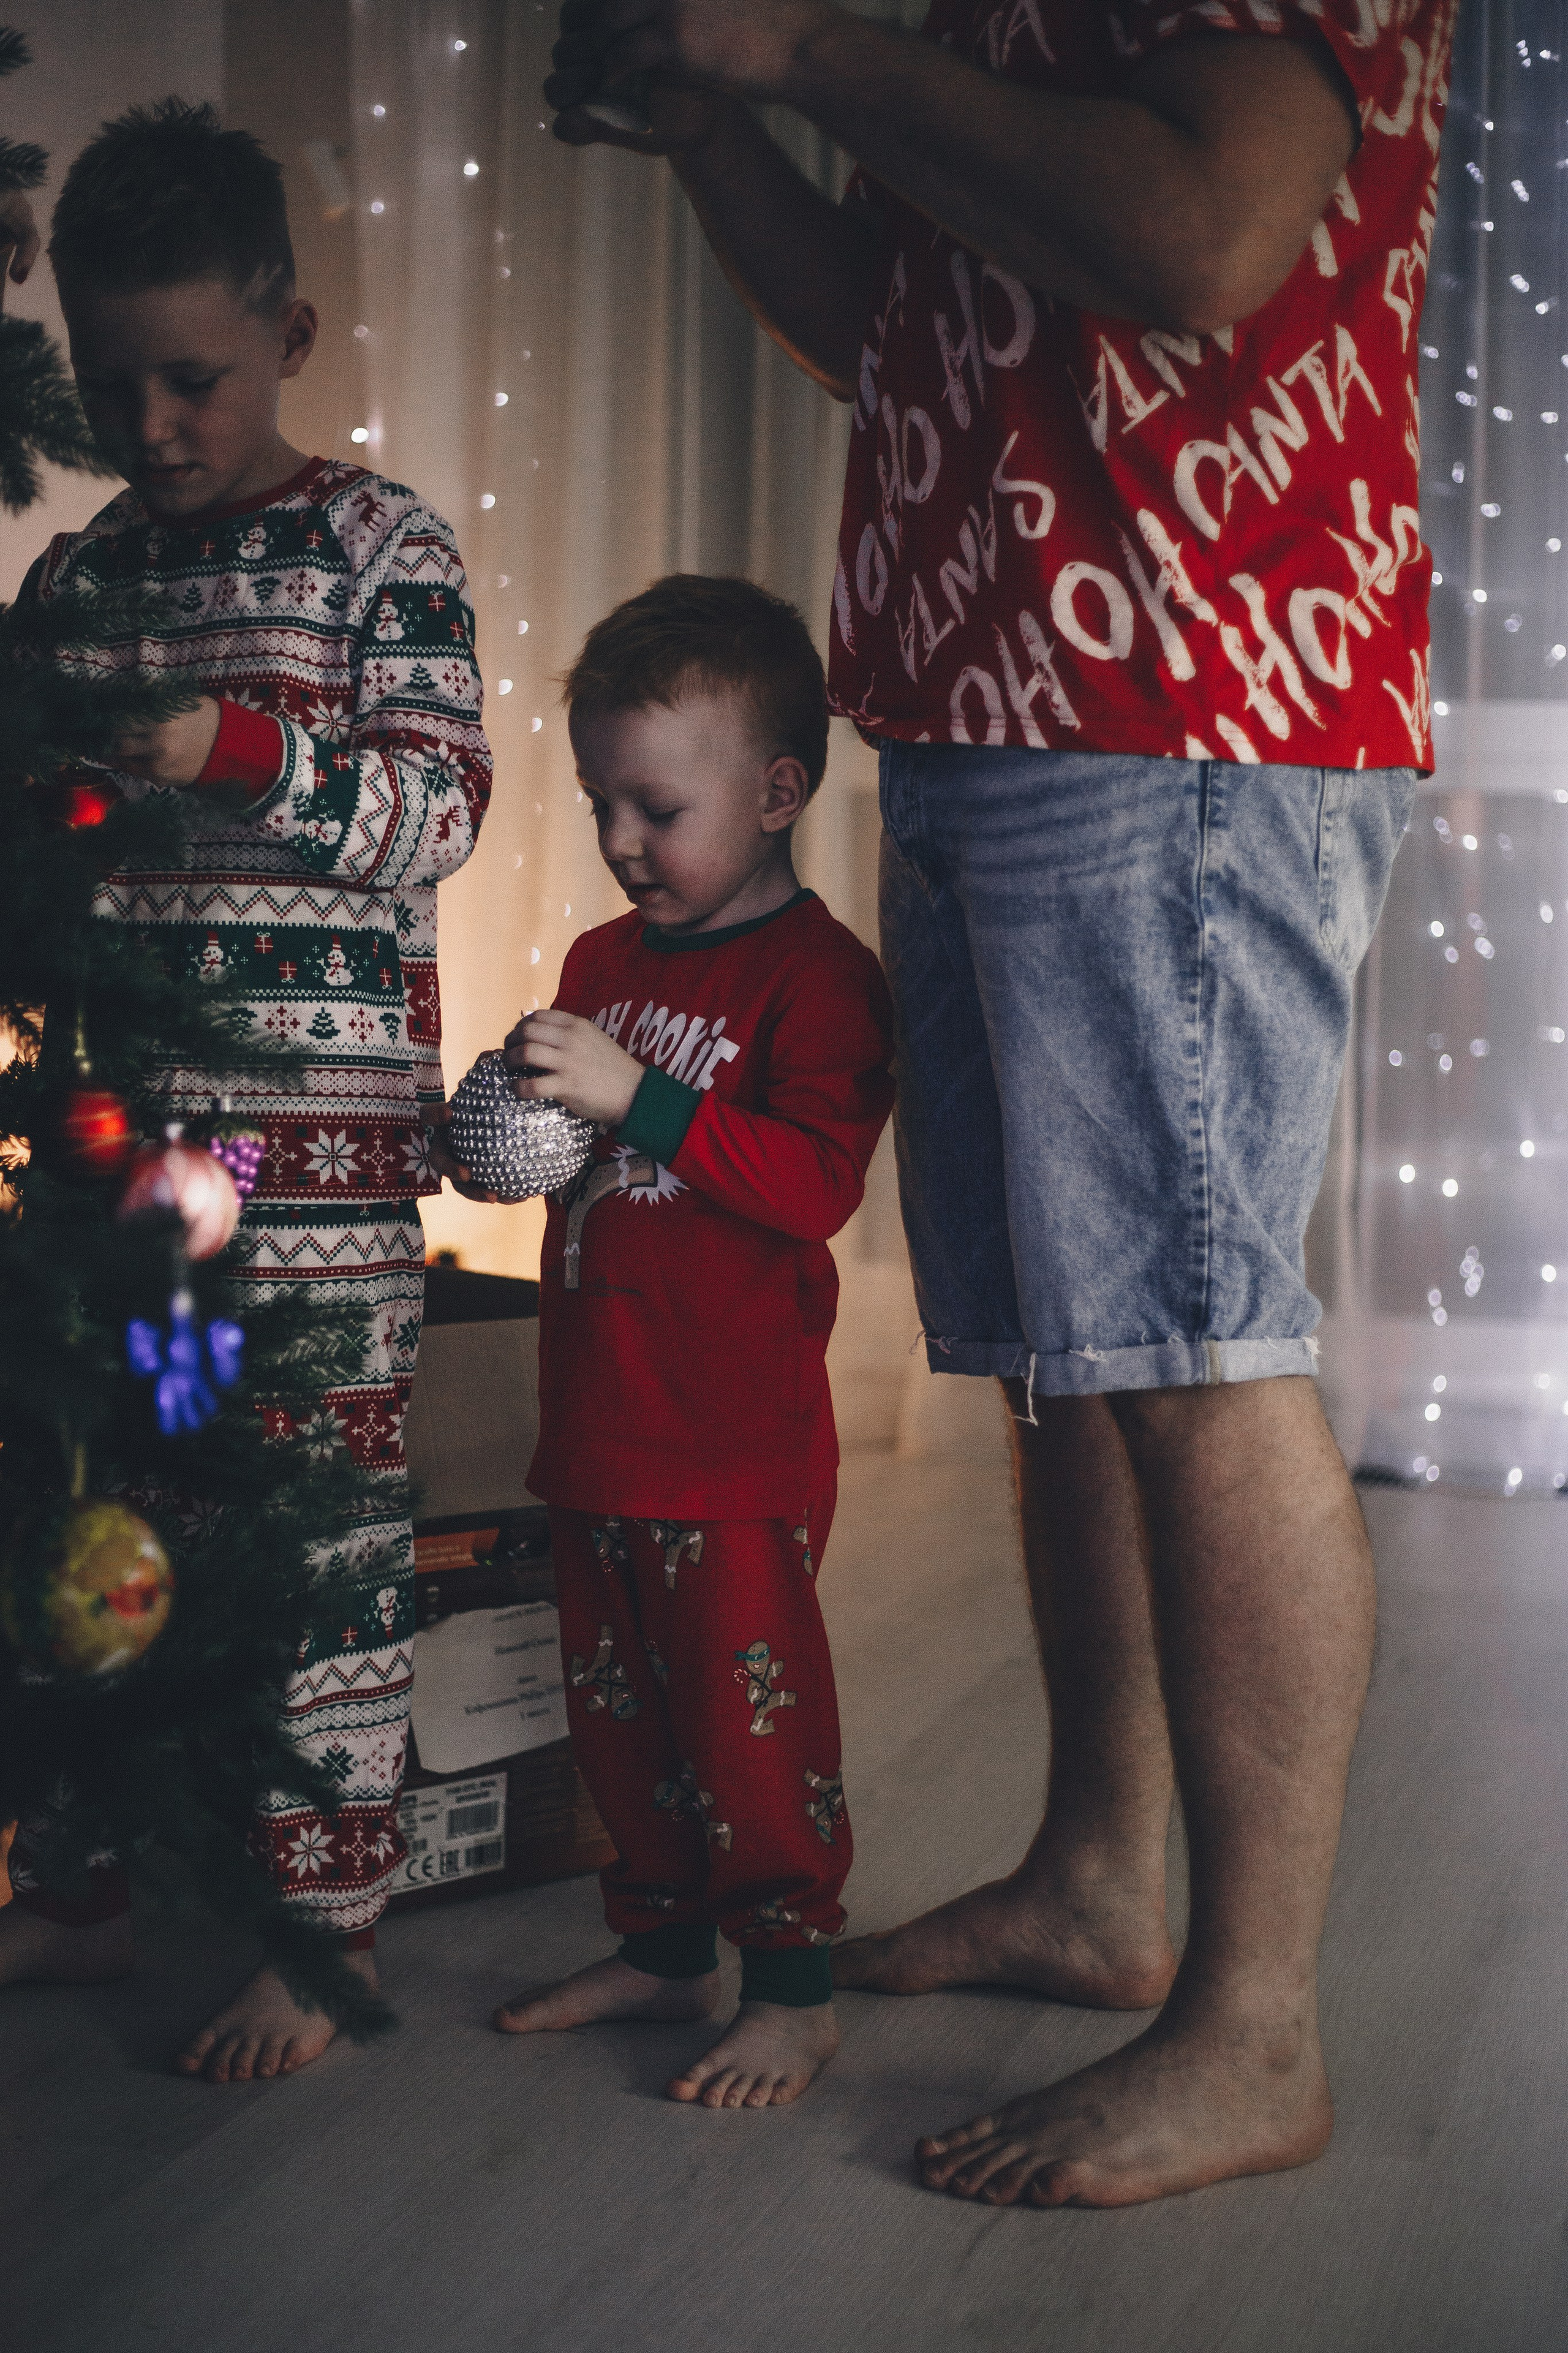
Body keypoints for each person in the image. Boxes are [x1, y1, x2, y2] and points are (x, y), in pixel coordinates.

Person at [543, 0, 1454, 2204]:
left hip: (1186, 681)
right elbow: (906, 324)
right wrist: (712, 126)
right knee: (1069, 1361)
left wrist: (798, 50)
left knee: (1194, 1353)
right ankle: (1100, 1879)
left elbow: (1208, 235)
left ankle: (1254, 2029)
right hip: (986, 687)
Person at [0, 99, 491, 2081]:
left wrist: (232, 749)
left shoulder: (384, 550)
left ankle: (319, 1923)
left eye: (194, 377)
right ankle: (94, 1881)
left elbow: (435, 812)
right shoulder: (78, 579)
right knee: (121, 1512)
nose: (152, 423)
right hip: (136, 1174)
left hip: (322, 1181)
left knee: (313, 1533)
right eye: (110, 382)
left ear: (287, 336)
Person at [483, 575, 893, 2107]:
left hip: (727, 1443)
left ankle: (790, 1982)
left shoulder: (817, 980)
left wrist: (636, 1097)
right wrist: (509, 1126)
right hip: (597, 1413)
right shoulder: (605, 964)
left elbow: (814, 1183)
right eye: (601, 803)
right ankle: (659, 1950)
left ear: (775, 794)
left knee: (743, 1722)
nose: (618, 840)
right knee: (614, 1713)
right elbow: (577, 1152)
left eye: (655, 808)